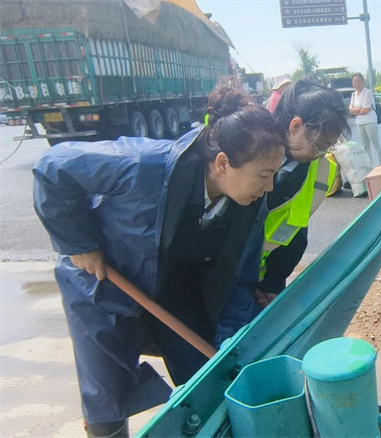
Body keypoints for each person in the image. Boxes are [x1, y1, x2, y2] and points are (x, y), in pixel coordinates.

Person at [32, 86, 287, 437]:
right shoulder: (145, 165)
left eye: (274, 173)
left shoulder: (250, 205)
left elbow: (237, 279)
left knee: (206, 376)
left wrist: (229, 343)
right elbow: (52, 166)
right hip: (103, 281)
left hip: (172, 288)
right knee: (107, 393)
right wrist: (79, 243)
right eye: (263, 175)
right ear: (224, 163)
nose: (270, 186)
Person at [254, 80, 351, 306]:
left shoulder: (319, 170)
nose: (322, 154)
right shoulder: (253, 159)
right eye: (319, 145)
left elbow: (295, 235)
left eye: (328, 147)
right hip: (232, 283)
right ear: (296, 125)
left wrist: (271, 285)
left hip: (268, 286)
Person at [349, 72, 381, 166]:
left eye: (358, 81)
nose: (356, 83)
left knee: (375, 143)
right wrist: (358, 110)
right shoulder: (353, 95)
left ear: (362, 81)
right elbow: (350, 110)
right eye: (355, 81)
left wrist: (356, 111)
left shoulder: (367, 92)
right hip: (359, 123)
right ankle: (369, 165)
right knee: (365, 146)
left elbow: (366, 110)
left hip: (370, 121)